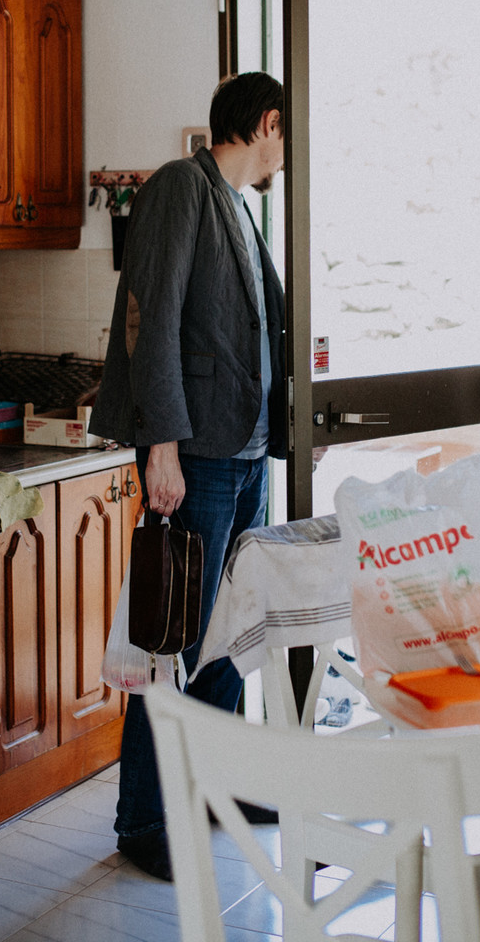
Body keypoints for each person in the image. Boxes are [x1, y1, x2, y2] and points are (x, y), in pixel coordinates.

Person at [88, 70, 289, 881]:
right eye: (291, 137)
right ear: (269, 123)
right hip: (195, 455)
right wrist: (160, 444)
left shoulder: (239, 206)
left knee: (226, 640)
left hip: (241, 455)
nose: (291, 155)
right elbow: (151, 314)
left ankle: (219, 786)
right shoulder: (182, 186)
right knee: (170, 644)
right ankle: (144, 820)